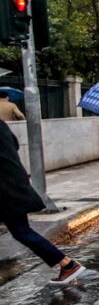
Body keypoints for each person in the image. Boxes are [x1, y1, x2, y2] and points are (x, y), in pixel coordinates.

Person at [0, 120, 86, 284]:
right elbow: (15, 145)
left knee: (21, 231)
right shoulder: (2, 125)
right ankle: (67, 264)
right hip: (14, 183)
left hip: (5, 190)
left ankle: (68, 264)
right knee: (21, 231)